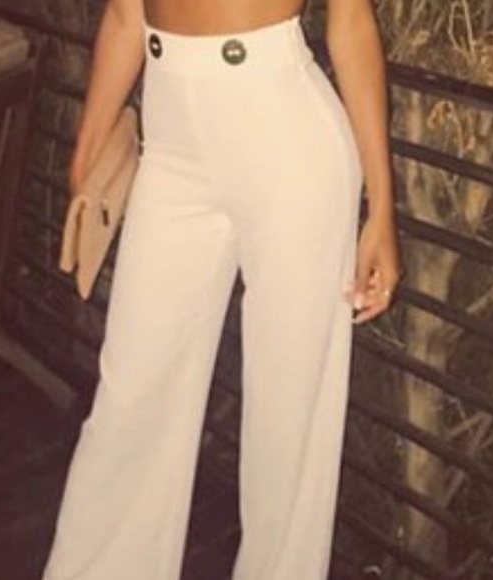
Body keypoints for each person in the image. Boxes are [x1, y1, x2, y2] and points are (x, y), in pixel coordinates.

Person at [42, 0, 400, 579]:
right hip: (171, 142)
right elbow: (126, 15)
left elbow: (351, 22)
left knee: (290, 420)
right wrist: (87, 149)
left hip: (284, 132)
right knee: (130, 394)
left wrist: (381, 207)